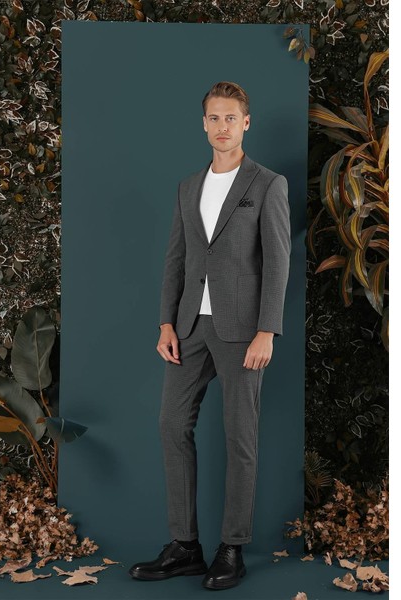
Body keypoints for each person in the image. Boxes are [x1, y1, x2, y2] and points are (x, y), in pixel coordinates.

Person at [129, 81, 291, 590]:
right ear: (204, 124)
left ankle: (232, 548)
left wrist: (267, 330)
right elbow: (176, 259)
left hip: (243, 331)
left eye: (231, 118)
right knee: (171, 425)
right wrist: (166, 323)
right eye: (214, 118)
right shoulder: (188, 187)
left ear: (246, 123)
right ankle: (185, 546)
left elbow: (278, 262)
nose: (223, 127)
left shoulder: (268, 184)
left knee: (240, 437)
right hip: (190, 327)